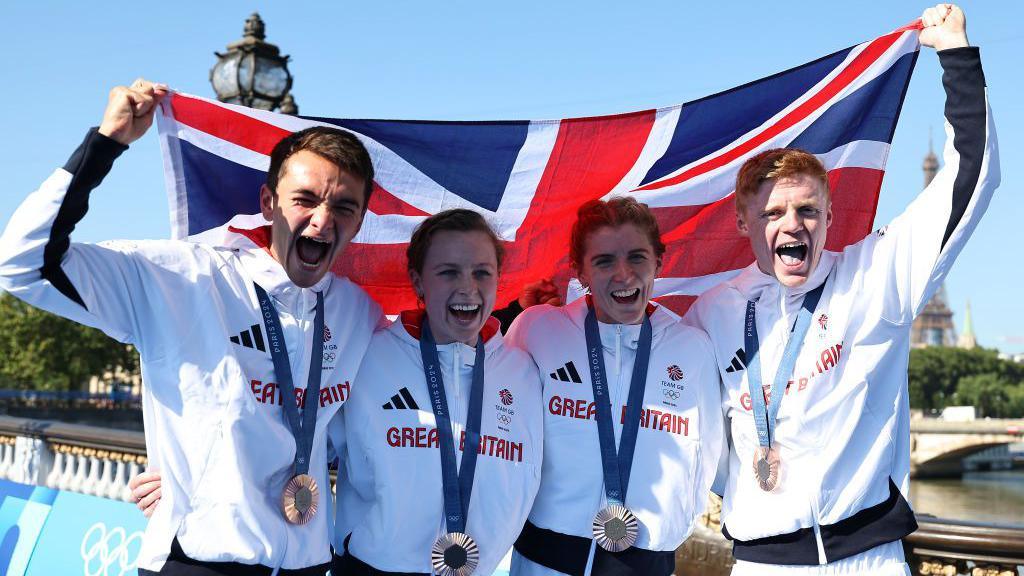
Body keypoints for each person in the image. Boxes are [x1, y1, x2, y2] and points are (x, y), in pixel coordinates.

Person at [0, 80, 384, 574]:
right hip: (197, 561)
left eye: (343, 208)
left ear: (359, 223)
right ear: (268, 203)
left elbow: (375, 422)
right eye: (305, 199)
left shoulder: (359, 313)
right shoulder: (184, 277)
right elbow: (24, 264)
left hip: (307, 564)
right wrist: (106, 143)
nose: (321, 221)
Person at [681, 5, 998, 575]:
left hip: (867, 559)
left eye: (807, 209)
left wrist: (955, 55)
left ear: (830, 216)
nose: (792, 224)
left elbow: (971, 178)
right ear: (743, 224)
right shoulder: (711, 314)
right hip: (762, 563)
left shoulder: (877, 276)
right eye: (773, 211)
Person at [506, 197, 724, 576]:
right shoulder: (538, 330)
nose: (623, 274)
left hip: (643, 565)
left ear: (659, 261)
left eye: (637, 257)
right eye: (604, 261)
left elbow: (709, 455)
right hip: (543, 561)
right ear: (581, 272)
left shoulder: (693, 348)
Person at [331, 208, 544, 576]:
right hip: (374, 568)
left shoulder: (524, 370)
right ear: (417, 281)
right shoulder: (367, 355)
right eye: (448, 272)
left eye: (482, 272)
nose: (467, 287)